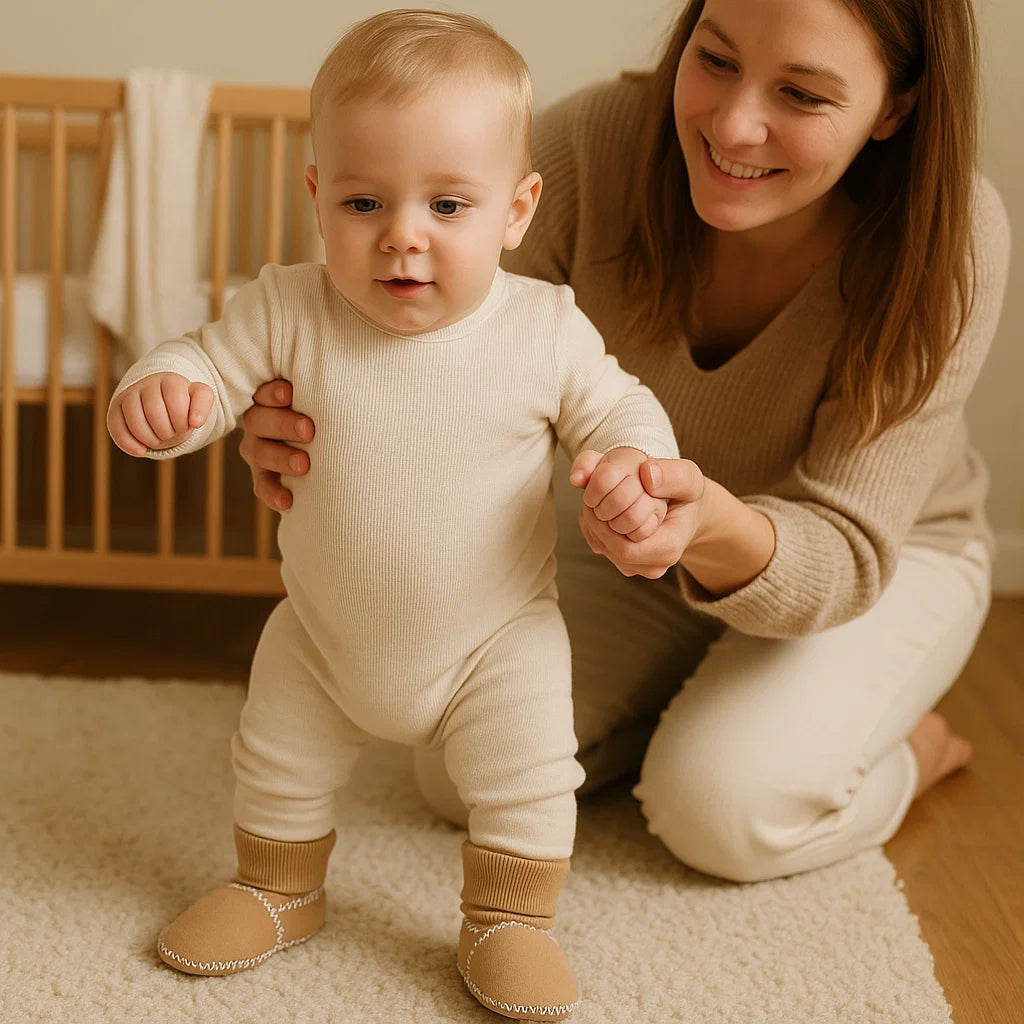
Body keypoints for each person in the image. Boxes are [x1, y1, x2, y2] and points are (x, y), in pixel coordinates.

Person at [241, 0, 1011, 888]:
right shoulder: (591, 148)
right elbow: (402, 335)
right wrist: (302, 415)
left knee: (721, 811)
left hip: (867, 561)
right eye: (715, 58)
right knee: (461, 769)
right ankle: (687, 701)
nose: (732, 125)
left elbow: (845, 553)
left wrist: (706, 527)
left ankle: (911, 751)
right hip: (634, 540)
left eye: (801, 93)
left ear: (896, 106)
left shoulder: (947, 242)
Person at [106, 10, 679, 1021]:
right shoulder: (288, 303)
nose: (402, 234)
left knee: (528, 773)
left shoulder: (542, 327)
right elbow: (206, 363)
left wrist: (635, 460)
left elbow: (618, 405)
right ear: (318, 194)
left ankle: (507, 918)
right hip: (325, 632)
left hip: (492, 639)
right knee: (273, 748)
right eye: (365, 200)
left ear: (516, 209)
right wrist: (165, 393)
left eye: (448, 203)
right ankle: (279, 886)